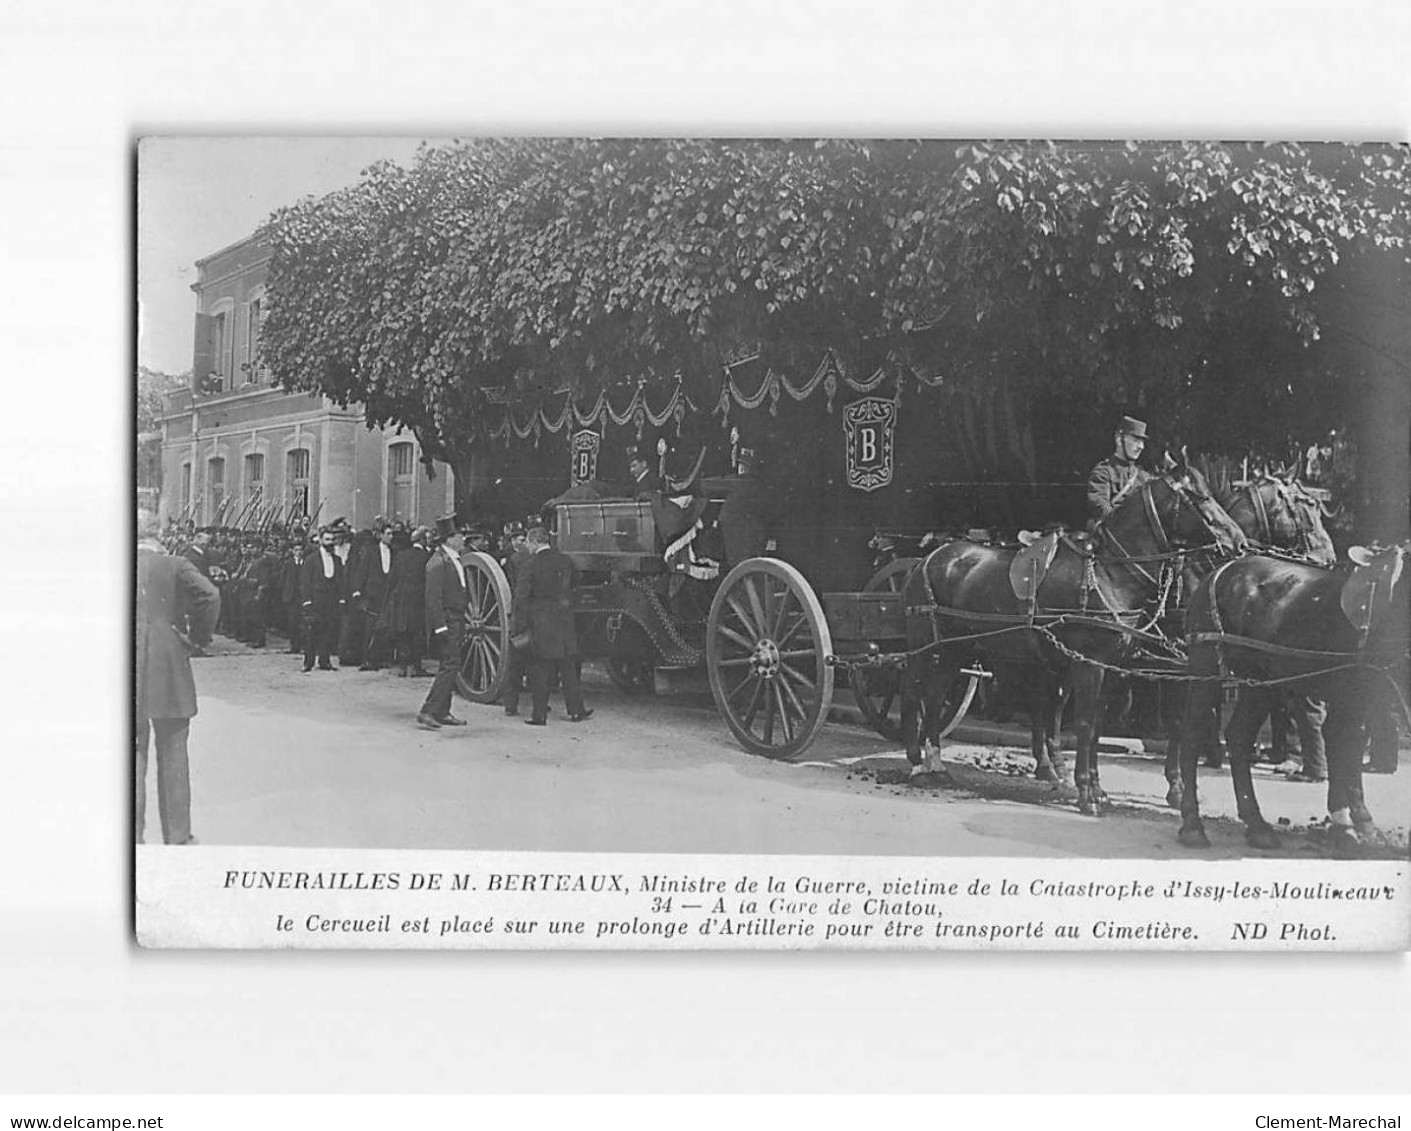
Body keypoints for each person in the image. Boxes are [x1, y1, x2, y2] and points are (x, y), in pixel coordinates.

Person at [136, 508, 220, 845]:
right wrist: (197, 638)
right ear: (159, 534)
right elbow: (210, 595)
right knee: (173, 748)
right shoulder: (173, 564)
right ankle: (177, 837)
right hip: (167, 658)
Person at [513, 524, 591, 726]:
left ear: (534, 542)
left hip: (541, 621)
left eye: (529, 543)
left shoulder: (529, 565)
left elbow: (521, 598)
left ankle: (539, 716)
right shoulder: (564, 560)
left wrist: (519, 627)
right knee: (567, 668)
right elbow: (577, 579)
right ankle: (576, 711)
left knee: (541, 669)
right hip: (564, 618)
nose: (528, 547)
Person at [418, 515, 470, 730]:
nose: (463, 539)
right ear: (449, 539)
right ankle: (428, 711)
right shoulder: (437, 561)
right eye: (460, 535)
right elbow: (432, 598)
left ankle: (442, 711)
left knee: (450, 665)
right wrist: (440, 626)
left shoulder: (453, 559)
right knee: (449, 666)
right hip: (447, 620)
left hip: (456, 619)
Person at [1086, 415, 1153, 524]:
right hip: (1112, 536)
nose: (1141, 446)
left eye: (1142, 441)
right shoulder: (1104, 471)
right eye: (1136, 440)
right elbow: (1100, 506)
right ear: (1119, 440)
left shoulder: (1144, 477)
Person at [385, 524, 431, 677]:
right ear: (423, 540)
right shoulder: (426, 557)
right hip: (418, 601)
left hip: (402, 601)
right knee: (417, 634)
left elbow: (392, 579)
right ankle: (416, 667)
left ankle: (403, 667)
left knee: (403, 632)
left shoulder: (401, 555)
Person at [298, 525, 346, 671]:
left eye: (331, 539)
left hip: (330, 601)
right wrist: (307, 601)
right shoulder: (311, 560)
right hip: (316, 600)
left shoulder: (337, 560)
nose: (329, 542)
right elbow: (305, 582)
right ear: (320, 541)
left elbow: (341, 581)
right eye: (326, 539)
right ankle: (308, 662)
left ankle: (324, 661)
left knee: (328, 631)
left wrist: (342, 599)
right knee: (312, 632)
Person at [718, 447, 776, 566]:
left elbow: (714, 484)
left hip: (739, 531)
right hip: (753, 532)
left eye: (742, 465)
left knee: (738, 564)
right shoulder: (760, 486)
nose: (740, 468)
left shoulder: (739, 482)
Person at [500, 519, 534, 716]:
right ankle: (511, 702)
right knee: (518, 659)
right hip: (517, 609)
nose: (522, 542)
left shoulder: (527, 557)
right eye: (519, 539)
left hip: (525, 610)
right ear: (513, 540)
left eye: (524, 539)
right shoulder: (510, 558)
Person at [352, 519, 395, 670]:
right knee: (370, 627)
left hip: (387, 594)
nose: (391, 537)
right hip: (373, 593)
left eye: (392, 534)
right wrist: (357, 589)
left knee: (384, 628)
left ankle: (380, 658)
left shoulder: (393, 551)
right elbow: (362, 571)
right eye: (388, 534)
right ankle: (367, 659)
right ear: (381, 535)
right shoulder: (371, 551)